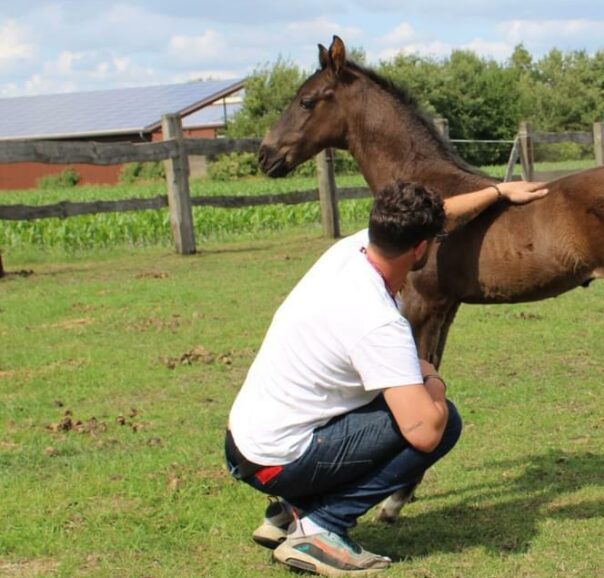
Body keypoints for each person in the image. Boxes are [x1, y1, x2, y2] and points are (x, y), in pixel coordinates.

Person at [225, 179, 547, 576]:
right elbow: (424, 432)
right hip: (277, 460)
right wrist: (430, 376)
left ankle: (291, 511)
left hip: (246, 443)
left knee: (390, 402)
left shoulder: (350, 250)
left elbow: (440, 215)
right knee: (441, 420)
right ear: (420, 248)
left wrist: (498, 192)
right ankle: (320, 527)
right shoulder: (378, 321)